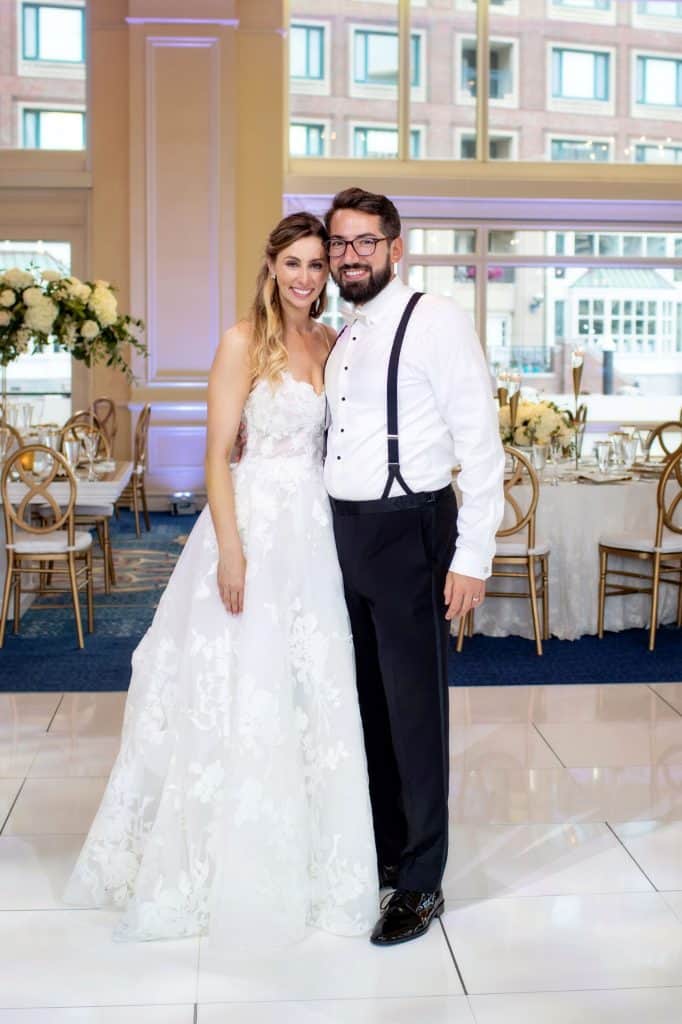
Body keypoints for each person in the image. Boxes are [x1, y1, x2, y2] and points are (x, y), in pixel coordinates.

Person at [64, 212, 379, 949]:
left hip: (314, 532)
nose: (306, 277)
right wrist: (231, 551)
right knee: (237, 686)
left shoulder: (329, 343)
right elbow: (215, 457)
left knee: (310, 689)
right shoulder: (242, 343)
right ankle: (212, 863)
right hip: (253, 528)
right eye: (294, 263)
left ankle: (312, 861)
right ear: (270, 266)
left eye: (316, 265)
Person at [323, 188, 504, 947]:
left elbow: (482, 438)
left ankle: (421, 883)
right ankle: (390, 853)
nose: (350, 256)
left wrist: (474, 554)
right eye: (340, 243)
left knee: (414, 713)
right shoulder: (342, 334)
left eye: (365, 242)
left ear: (396, 247)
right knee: (366, 706)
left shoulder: (436, 320)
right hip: (343, 535)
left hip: (411, 533)